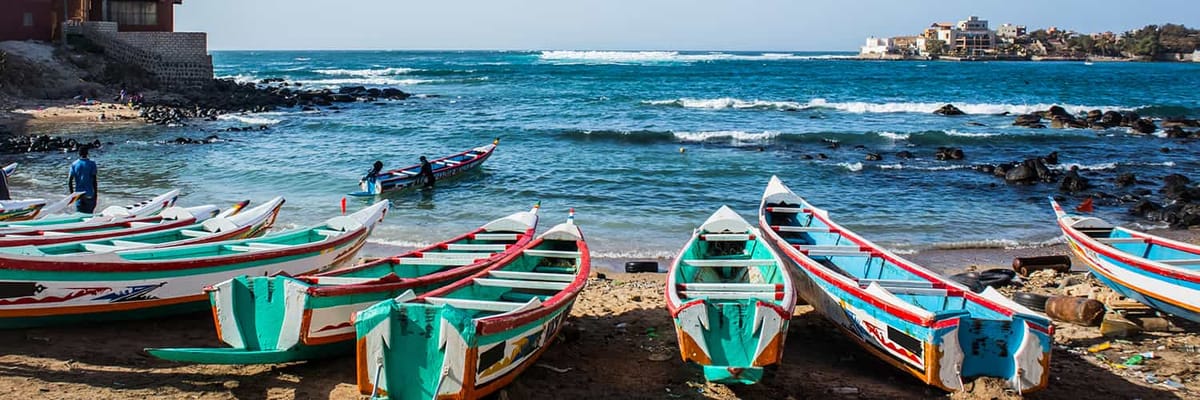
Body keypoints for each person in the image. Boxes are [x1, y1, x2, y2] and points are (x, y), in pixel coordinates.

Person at [68, 146, 98, 213]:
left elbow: (69, 181)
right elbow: (94, 181)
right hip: (89, 194)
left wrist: (72, 195)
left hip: (78, 194)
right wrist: (95, 194)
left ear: (79, 153)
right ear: (87, 153)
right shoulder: (92, 164)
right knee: (89, 215)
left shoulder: (74, 164)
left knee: (79, 215)